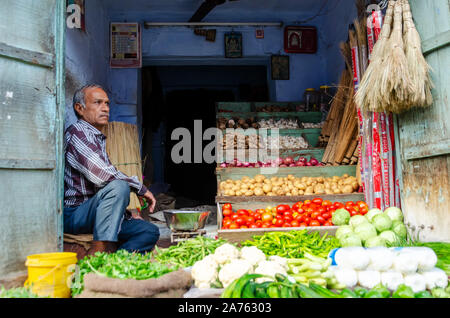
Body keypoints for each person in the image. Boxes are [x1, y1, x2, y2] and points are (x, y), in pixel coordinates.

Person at [63, 84, 159, 255]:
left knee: (148, 231)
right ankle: (100, 253)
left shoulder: (97, 137)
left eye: (107, 104)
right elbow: (103, 176)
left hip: (97, 212)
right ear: (80, 108)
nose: (105, 108)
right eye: (98, 103)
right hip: (77, 214)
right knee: (119, 185)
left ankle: (116, 263)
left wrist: (125, 212)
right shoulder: (78, 133)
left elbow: (105, 190)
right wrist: (140, 188)